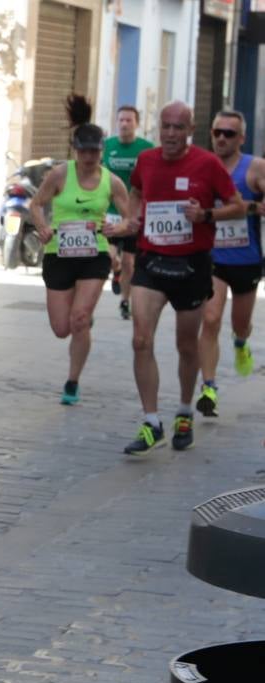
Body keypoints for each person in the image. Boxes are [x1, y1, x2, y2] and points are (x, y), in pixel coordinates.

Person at [123, 101, 246, 456]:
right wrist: (133, 218)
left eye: (179, 127)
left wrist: (205, 213)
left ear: (191, 131)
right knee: (140, 340)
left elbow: (236, 205)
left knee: (186, 344)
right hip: (152, 262)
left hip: (192, 266)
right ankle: (151, 422)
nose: (172, 134)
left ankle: (183, 411)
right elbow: (135, 191)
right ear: (158, 128)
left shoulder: (207, 164)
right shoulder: (146, 160)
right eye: (166, 126)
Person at [32, 96, 134, 405]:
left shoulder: (112, 182)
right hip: (58, 254)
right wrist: (43, 227)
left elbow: (131, 218)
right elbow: (37, 204)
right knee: (62, 328)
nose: (89, 156)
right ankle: (82, 323)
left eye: (95, 151)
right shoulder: (60, 175)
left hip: (94, 255)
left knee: (78, 318)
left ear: (102, 150)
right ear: (75, 150)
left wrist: (118, 228)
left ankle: (72, 382)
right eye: (84, 151)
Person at [196, 109, 265, 418]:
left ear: (242, 138)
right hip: (212, 258)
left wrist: (252, 207)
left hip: (246, 259)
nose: (222, 138)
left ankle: (241, 342)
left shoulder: (255, 168)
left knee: (240, 322)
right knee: (210, 319)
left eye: (229, 134)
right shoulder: (200, 165)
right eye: (217, 132)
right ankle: (209, 386)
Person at [102, 106, 154, 318]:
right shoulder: (107, 146)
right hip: (111, 212)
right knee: (108, 255)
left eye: (129, 120)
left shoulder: (146, 148)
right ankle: (115, 272)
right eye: (121, 120)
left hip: (133, 213)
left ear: (137, 124)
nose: (124, 124)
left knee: (129, 262)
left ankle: (125, 301)